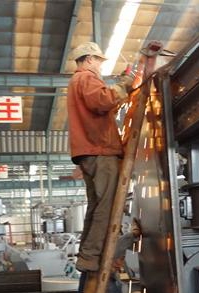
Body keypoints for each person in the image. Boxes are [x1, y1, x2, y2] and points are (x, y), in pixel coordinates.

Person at [67, 41, 134, 272]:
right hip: (99, 150)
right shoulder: (86, 78)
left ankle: (87, 255)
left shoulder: (77, 82)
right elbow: (103, 101)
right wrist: (124, 84)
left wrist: (119, 87)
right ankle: (92, 256)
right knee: (107, 207)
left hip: (89, 151)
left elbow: (103, 104)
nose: (100, 66)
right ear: (88, 59)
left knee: (96, 206)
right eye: (98, 61)